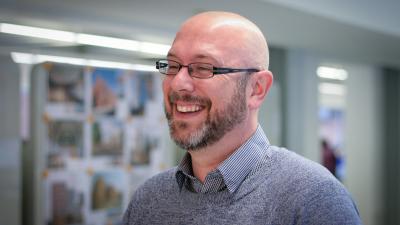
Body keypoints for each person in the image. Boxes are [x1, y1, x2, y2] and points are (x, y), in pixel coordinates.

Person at [123, 11, 362, 225]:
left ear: (256, 89)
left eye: (204, 68)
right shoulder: (148, 198)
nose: (177, 83)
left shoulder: (314, 199)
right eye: (173, 65)